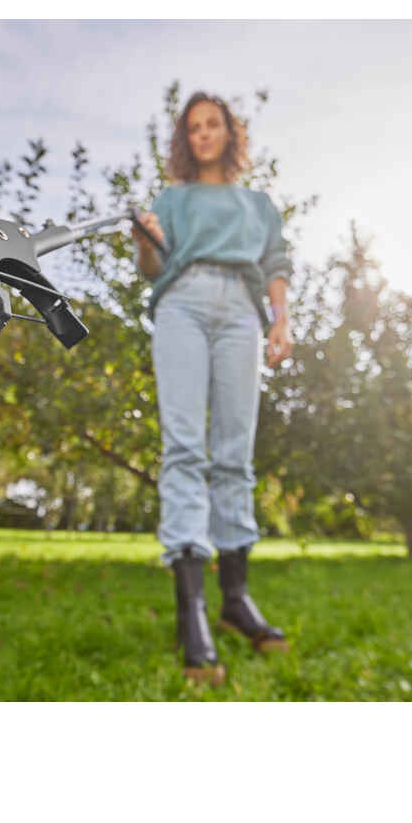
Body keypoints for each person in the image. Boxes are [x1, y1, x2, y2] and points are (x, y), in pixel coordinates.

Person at [132, 91, 294, 686]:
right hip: (183, 304)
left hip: (242, 314)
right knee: (184, 448)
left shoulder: (258, 205)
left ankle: (235, 599)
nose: (203, 134)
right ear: (186, 138)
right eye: (194, 127)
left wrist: (281, 319)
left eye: (212, 124)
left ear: (229, 132)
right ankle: (191, 612)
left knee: (234, 454)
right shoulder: (171, 200)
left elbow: (275, 264)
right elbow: (152, 267)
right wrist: (146, 240)